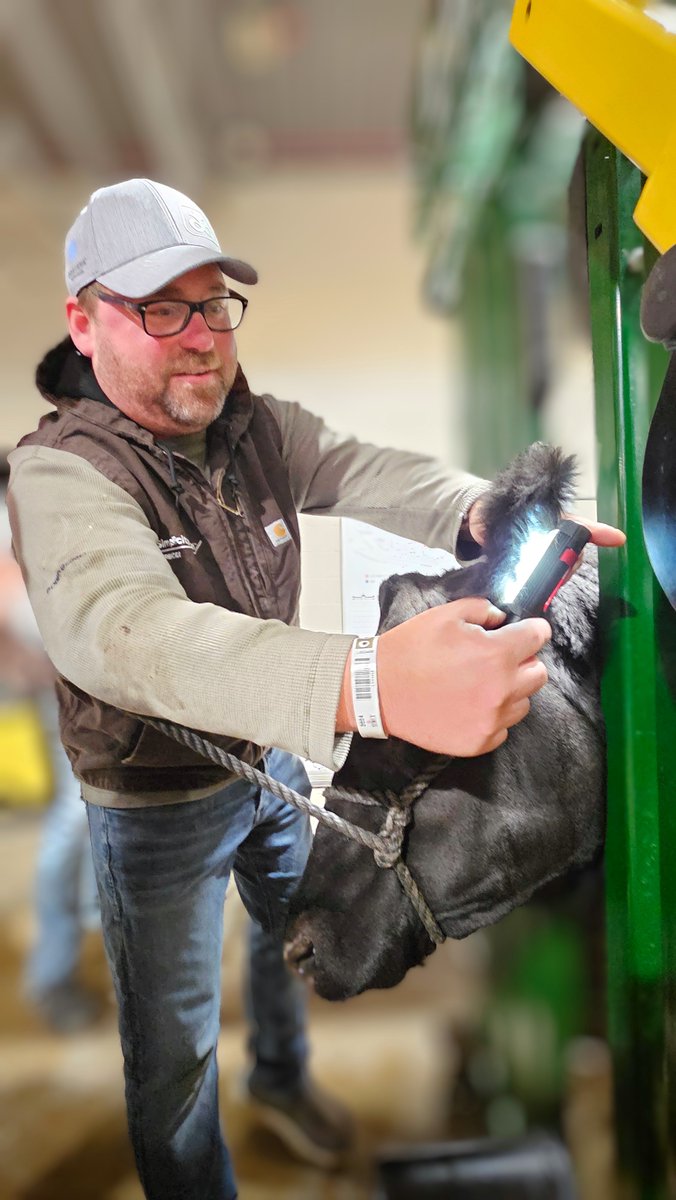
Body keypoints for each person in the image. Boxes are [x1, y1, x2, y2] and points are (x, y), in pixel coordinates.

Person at [6, 178, 624, 1200]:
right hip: (154, 800)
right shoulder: (60, 475)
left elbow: (360, 466)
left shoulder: (253, 430)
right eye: (162, 310)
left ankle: (285, 1080)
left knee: (290, 920)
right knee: (173, 1047)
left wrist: (479, 511)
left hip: (271, 758)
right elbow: (129, 634)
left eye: (213, 304)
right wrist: (372, 682)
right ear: (84, 319)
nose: (200, 334)